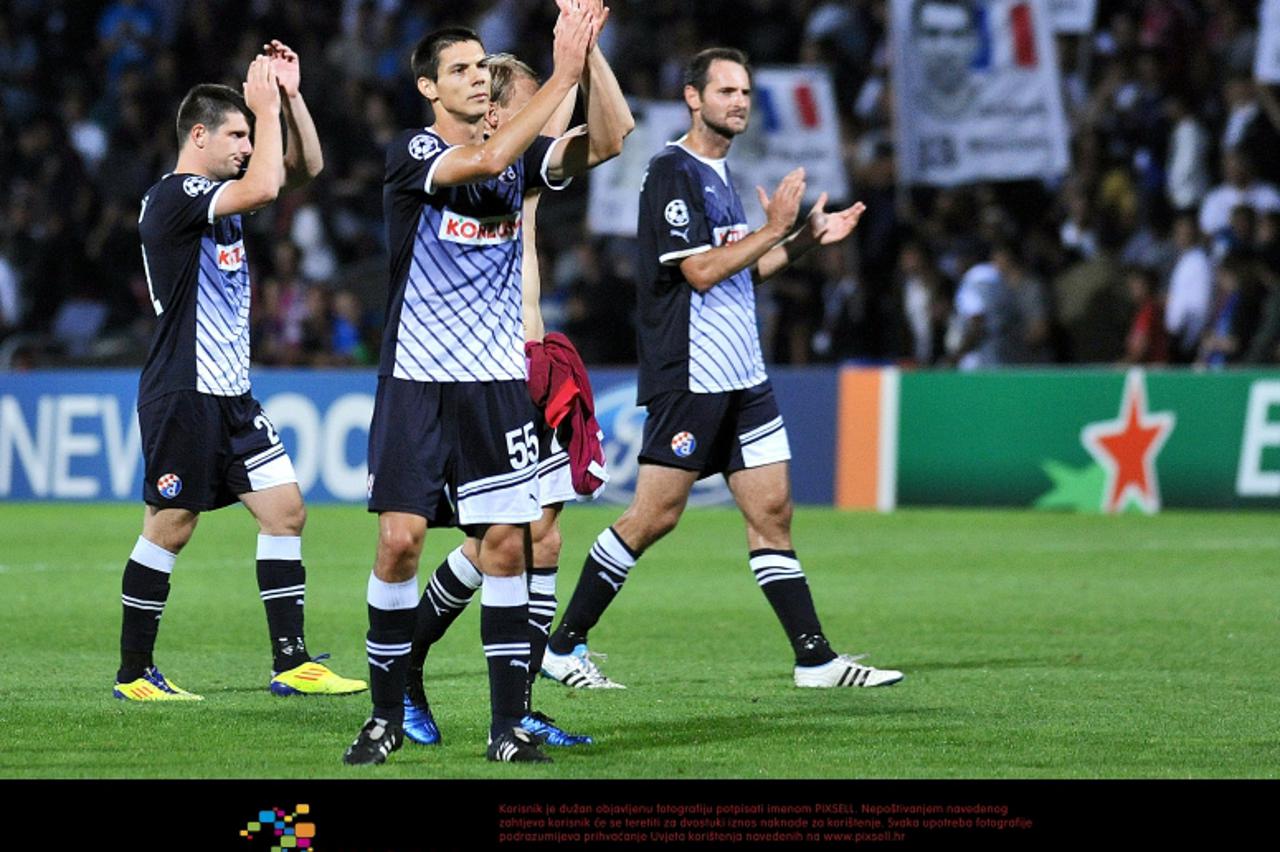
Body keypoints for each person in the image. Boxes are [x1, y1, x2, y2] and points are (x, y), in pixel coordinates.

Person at [540, 47, 904, 691]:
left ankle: (814, 660)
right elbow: (701, 271)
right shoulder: (672, 172)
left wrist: (803, 240)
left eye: (745, 92)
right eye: (727, 90)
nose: (739, 101)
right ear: (693, 97)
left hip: (742, 375)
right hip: (692, 373)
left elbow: (743, 271)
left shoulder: (718, 174)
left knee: (773, 512)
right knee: (653, 517)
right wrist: (772, 229)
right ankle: (563, 647)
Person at [343, 5, 626, 766]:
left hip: (495, 385)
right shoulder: (415, 152)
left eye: (480, 66)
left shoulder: (518, 165)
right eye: (460, 68)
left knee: (507, 546)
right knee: (400, 543)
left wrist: (588, 55)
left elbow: (612, 139)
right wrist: (560, 72)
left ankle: (506, 729)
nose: (476, 77)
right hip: (417, 382)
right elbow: (479, 160)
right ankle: (383, 716)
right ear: (429, 86)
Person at [115, 45, 366, 701]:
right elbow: (266, 184)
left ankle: (292, 663)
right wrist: (263, 107)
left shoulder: (217, 198)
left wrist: (288, 99)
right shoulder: (176, 197)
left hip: (231, 395)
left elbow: (305, 169)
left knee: (285, 512)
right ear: (198, 135)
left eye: (250, 136)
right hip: (183, 390)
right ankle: (134, 674)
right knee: (171, 525)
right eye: (237, 135)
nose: (247, 144)